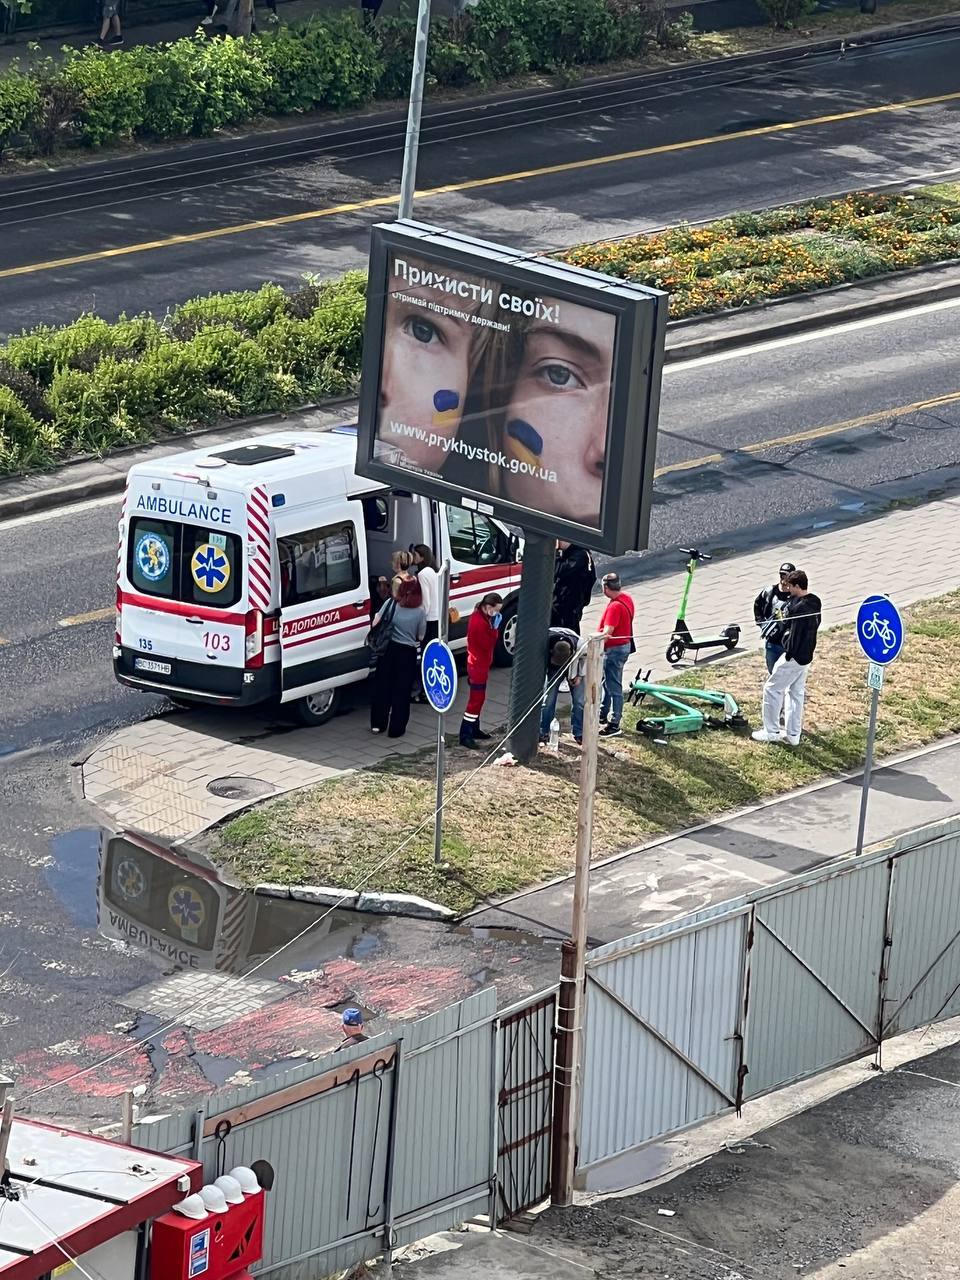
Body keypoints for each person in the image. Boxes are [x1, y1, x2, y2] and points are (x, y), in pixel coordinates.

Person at [752, 569, 821, 746]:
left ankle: (771, 731)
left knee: (772, 688)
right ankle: (793, 735)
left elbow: (793, 634)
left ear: (798, 586)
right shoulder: (815, 602)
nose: (788, 590)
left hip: (794, 657)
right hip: (807, 656)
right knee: (796, 693)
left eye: (790, 586)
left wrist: (788, 648)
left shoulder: (798, 608)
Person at [369, 577, 426, 738]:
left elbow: (376, 622)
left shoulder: (390, 603)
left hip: (387, 650)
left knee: (382, 687)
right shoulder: (420, 612)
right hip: (407, 653)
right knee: (402, 691)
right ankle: (396, 728)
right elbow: (420, 636)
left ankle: (378, 724)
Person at [458, 593, 503, 748]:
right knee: (476, 701)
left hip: (478, 665)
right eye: (495, 610)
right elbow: (487, 643)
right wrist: (494, 630)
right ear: (488, 607)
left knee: (477, 699)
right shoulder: (480, 623)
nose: (496, 613)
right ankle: (465, 734)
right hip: (478, 667)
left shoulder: (481, 617)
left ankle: (474, 729)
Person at [598, 572, 635, 738]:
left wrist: (593, 642)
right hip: (624, 646)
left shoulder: (614, 607)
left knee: (614, 686)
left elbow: (608, 633)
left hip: (613, 650)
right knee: (607, 681)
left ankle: (614, 723)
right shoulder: (626, 598)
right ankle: (602, 713)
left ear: (606, 587)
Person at [539, 627, 586, 747]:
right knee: (548, 700)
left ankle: (579, 732)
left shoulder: (581, 645)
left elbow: (585, 659)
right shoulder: (544, 642)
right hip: (553, 669)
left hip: (573, 667)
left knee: (579, 701)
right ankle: (543, 731)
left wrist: (579, 676)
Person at [754, 561, 796, 673]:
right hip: (772, 644)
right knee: (773, 674)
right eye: (782, 575)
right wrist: (762, 623)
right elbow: (758, 604)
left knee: (787, 676)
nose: (784, 580)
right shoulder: (770, 591)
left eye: (787, 576)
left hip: (788, 645)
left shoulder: (796, 595)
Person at [552, 541, 597, 634]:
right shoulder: (580, 554)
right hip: (570, 602)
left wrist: (555, 554)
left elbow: (557, 570)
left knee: (566, 632)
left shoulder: (578, 556)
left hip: (568, 603)